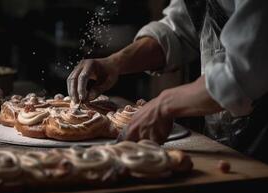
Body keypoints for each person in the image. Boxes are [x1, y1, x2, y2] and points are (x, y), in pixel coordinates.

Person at [67, 0, 268, 163]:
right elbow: (179, 29)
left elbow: (245, 70)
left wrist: (164, 104)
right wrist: (114, 63)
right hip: (225, 140)